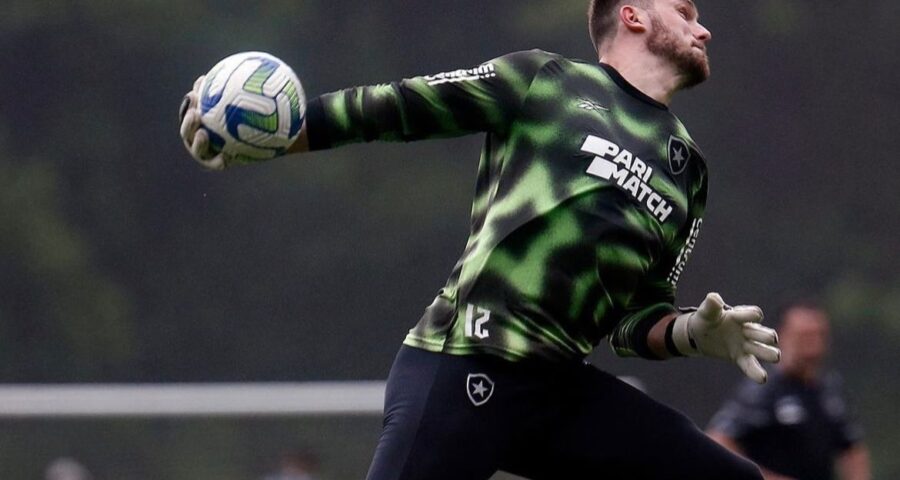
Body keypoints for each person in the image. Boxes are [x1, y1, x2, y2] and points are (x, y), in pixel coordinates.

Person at [179, 1, 781, 478]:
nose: (703, 31)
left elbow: (632, 322)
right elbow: (395, 109)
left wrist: (692, 334)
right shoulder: (544, 80)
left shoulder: (688, 168)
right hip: (463, 365)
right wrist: (263, 130)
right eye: (686, 12)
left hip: (556, 393)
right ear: (633, 15)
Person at [707, 300, 872, 480]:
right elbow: (718, 441)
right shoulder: (763, 388)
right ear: (781, 336)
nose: (813, 346)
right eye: (804, 337)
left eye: (819, 336)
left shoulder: (830, 390)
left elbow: (851, 448)